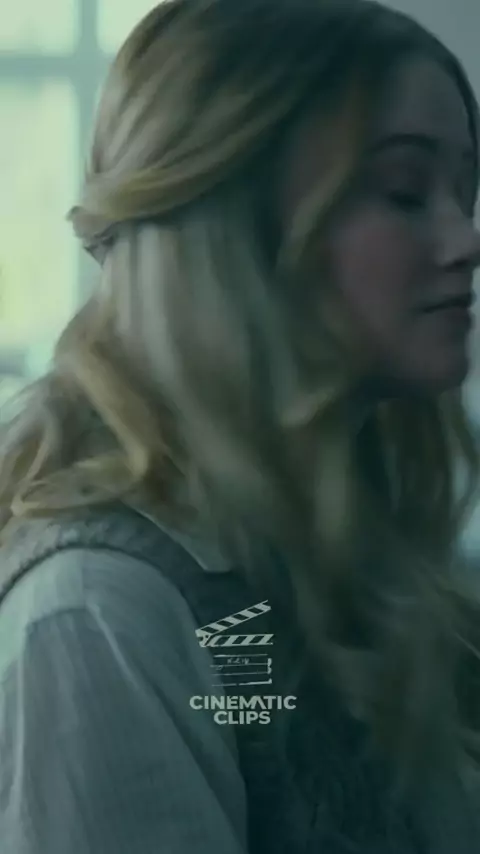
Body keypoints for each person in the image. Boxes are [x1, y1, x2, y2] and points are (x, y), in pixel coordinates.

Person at [1, 0, 480, 851]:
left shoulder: (353, 558)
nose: (466, 238)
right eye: (404, 191)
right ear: (229, 226)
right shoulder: (103, 613)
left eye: (466, 190)